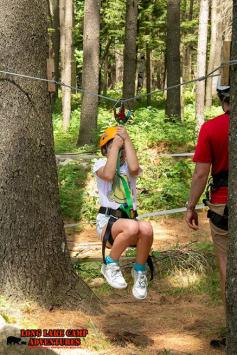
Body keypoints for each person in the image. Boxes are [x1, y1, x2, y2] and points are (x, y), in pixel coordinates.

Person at [185, 83, 230, 349]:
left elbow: (201, 174)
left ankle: (232, 328)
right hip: (224, 205)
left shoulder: (211, 129)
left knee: (227, 267)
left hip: (224, 206)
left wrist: (190, 206)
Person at [93, 126, 153, 300]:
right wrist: (116, 146)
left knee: (147, 228)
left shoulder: (128, 169)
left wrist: (125, 139)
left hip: (129, 223)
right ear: (105, 150)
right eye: (113, 146)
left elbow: (134, 168)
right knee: (133, 227)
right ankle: (110, 264)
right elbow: (109, 174)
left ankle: (139, 271)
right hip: (108, 224)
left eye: (122, 149)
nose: (120, 151)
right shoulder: (99, 164)